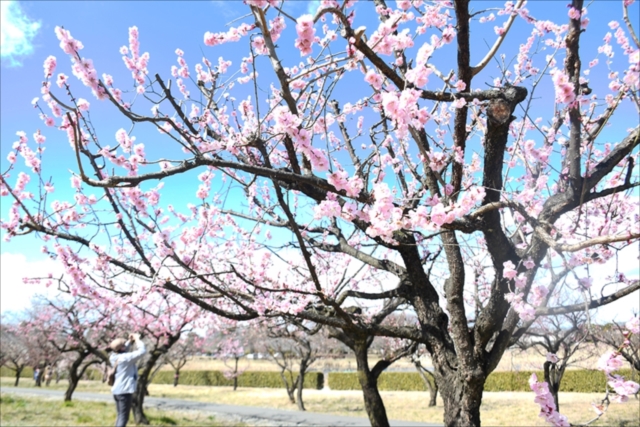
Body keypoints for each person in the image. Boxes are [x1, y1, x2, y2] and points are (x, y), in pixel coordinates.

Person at [109, 333, 146, 427]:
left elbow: (123, 349)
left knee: (120, 415)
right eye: (123, 345)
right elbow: (142, 351)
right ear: (121, 348)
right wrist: (137, 340)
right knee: (124, 417)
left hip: (117, 391)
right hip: (124, 391)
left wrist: (130, 341)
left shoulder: (113, 356)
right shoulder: (125, 358)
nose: (125, 345)